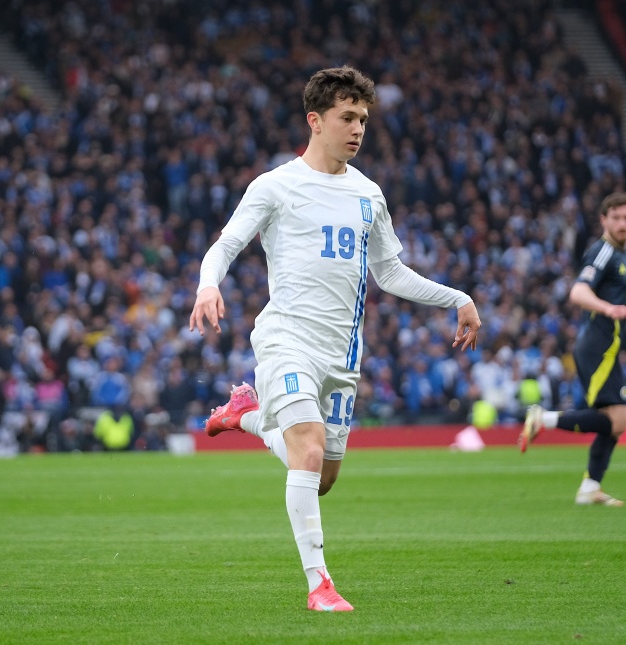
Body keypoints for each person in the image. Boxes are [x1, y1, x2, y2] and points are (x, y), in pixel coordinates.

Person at [189, 66, 481, 611]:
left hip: (343, 355)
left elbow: (389, 273)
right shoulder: (275, 186)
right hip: (286, 339)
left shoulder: (369, 194)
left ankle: (247, 415)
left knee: (322, 476)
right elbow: (225, 244)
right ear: (315, 121)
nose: (358, 129)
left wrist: (455, 297)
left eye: (363, 119)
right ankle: (319, 585)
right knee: (307, 448)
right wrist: (208, 285)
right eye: (347, 117)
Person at [519, 192, 626, 506]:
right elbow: (578, 292)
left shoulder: (618, 254)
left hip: (605, 348)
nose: (622, 223)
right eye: (615, 218)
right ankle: (543, 419)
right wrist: (607, 309)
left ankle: (590, 487)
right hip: (597, 347)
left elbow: (618, 293)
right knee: (617, 420)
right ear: (604, 220)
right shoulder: (603, 251)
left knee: (615, 421)